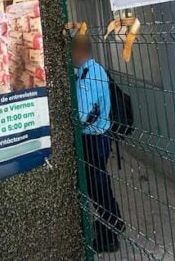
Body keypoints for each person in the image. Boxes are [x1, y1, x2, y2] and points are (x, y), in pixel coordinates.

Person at [72, 33, 123, 253]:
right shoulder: (88, 70)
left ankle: (110, 234)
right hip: (95, 137)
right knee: (97, 186)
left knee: (98, 188)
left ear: (80, 52)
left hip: (94, 140)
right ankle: (112, 221)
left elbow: (80, 114)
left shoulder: (89, 75)